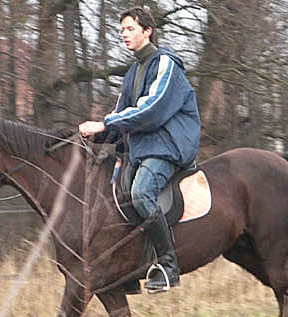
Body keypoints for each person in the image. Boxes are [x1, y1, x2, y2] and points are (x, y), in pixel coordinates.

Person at [79, 6, 201, 294]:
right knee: (117, 197)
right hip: (143, 147)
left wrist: (103, 123)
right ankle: (132, 269)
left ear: (147, 31)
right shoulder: (133, 73)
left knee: (140, 193)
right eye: (121, 30)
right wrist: (93, 136)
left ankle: (169, 266)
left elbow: (151, 109)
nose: (124, 35)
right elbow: (122, 115)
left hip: (168, 145)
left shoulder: (165, 64)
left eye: (130, 29)